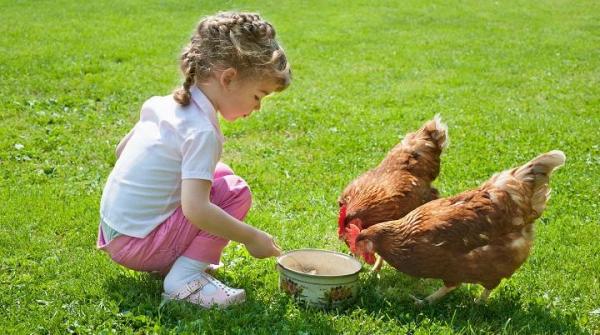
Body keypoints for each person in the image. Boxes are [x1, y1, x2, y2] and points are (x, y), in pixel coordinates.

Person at [97, 11, 291, 308]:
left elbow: (121, 151)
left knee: (219, 175)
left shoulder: (162, 104)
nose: (258, 108)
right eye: (258, 96)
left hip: (115, 232)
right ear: (228, 78)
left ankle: (175, 259)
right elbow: (196, 210)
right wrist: (252, 238)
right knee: (234, 191)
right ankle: (184, 279)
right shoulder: (201, 131)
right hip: (139, 245)